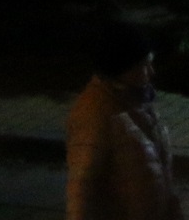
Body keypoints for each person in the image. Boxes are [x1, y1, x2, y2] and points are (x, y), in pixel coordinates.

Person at [66, 20, 181, 220]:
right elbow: (82, 189)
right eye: (143, 65)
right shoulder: (95, 114)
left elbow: (162, 178)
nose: (151, 72)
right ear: (120, 69)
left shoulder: (141, 105)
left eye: (150, 62)